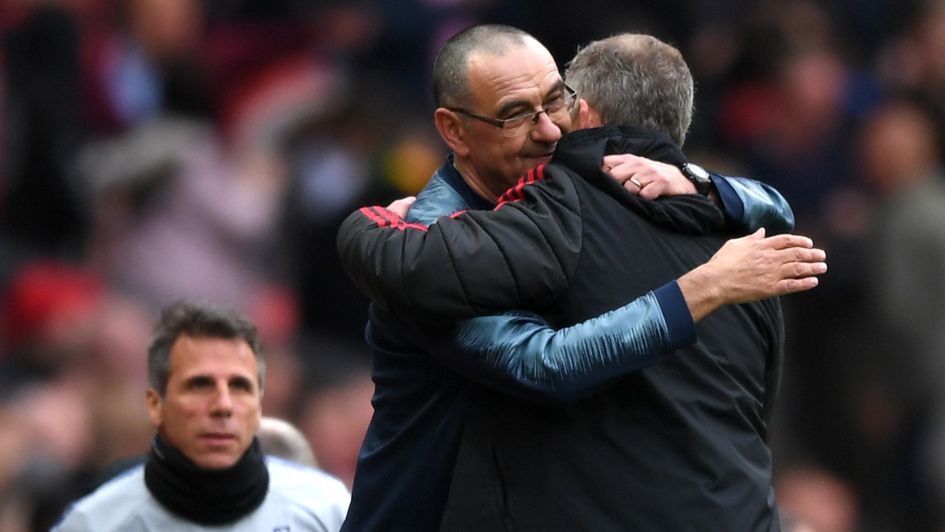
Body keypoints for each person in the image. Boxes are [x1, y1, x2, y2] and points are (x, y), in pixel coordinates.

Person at [338, 25, 824, 532]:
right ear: (454, 130)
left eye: (555, 100)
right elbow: (545, 365)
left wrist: (703, 184)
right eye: (515, 115)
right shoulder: (436, 244)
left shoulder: (573, 204)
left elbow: (777, 208)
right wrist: (704, 287)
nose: (549, 130)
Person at [52, 301, 350, 531]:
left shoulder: (328, 508)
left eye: (239, 386)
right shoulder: (94, 523)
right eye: (200, 384)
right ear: (156, 405)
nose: (223, 405)